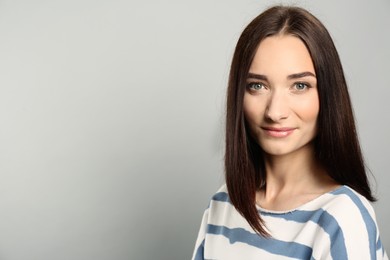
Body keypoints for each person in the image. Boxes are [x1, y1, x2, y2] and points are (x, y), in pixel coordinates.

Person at [192, 5, 388, 260]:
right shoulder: (223, 204)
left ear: (328, 94)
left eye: (299, 85)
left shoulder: (341, 216)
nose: (275, 111)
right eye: (257, 85)